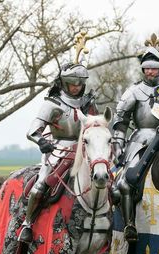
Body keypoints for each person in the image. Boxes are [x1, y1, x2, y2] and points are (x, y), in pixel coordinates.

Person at [18, 60, 99, 243]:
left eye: (79, 84)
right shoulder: (53, 103)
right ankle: (27, 224)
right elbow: (33, 129)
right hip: (57, 148)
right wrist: (41, 141)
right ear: (63, 83)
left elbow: (97, 125)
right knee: (41, 185)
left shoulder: (88, 103)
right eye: (72, 84)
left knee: (103, 176)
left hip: (84, 148)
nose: (76, 88)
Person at [112, 33, 159, 242]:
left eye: (154, 68)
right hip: (139, 140)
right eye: (147, 68)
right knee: (124, 183)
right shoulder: (133, 91)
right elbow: (120, 122)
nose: (150, 72)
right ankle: (130, 224)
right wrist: (119, 145)